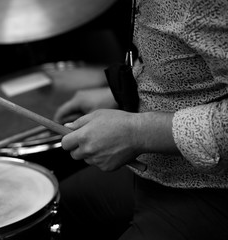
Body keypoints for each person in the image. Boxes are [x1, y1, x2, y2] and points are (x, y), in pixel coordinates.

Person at [53, 0, 228, 239]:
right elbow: (179, 55)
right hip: (156, 167)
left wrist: (139, 132)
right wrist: (119, 94)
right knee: (54, 207)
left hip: (211, 185)